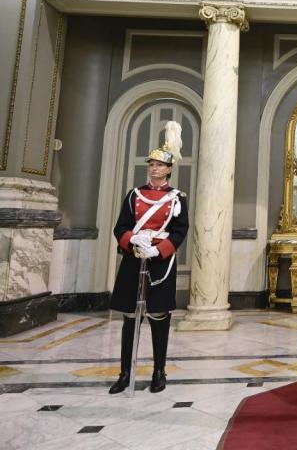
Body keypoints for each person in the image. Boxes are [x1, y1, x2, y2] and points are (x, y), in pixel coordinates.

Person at [108, 120, 189, 394]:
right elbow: (120, 227)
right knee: (130, 319)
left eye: (159, 165)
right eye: (151, 164)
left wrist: (159, 249)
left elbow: (180, 231)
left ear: (168, 169)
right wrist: (133, 240)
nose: (154, 168)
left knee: (159, 318)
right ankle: (125, 372)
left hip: (160, 263)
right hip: (134, 259)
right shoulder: (134, 195)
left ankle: (159, 371)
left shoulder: (177, 198)